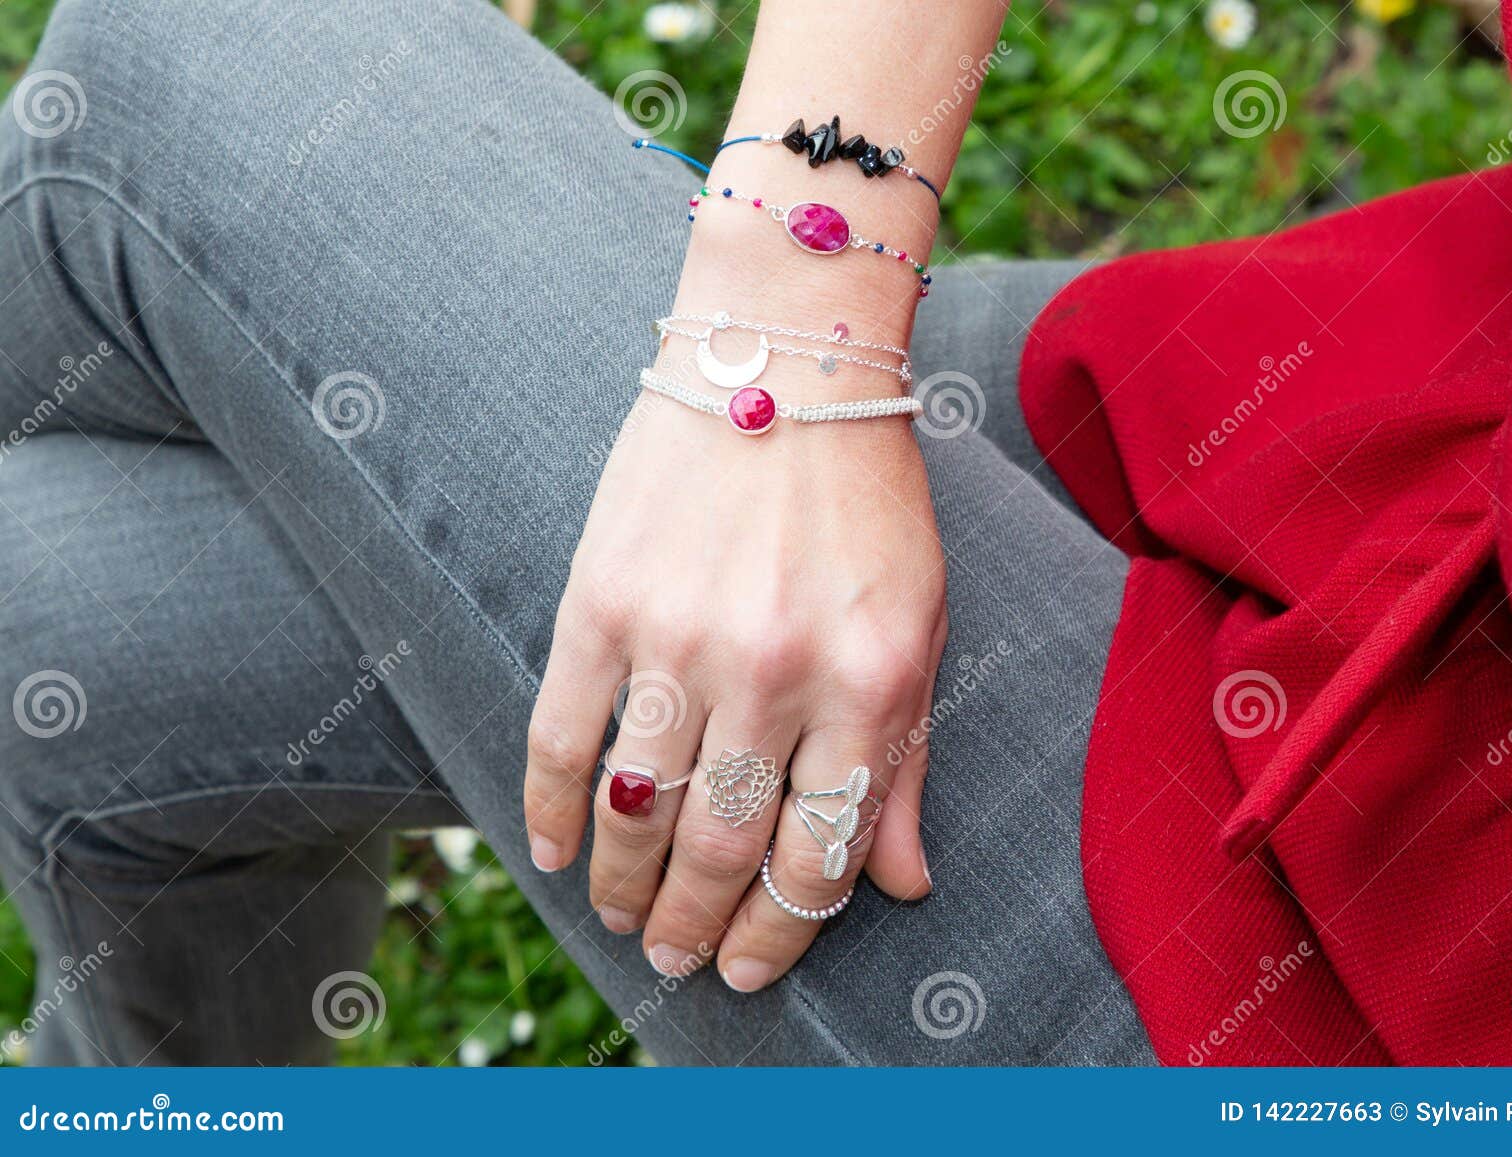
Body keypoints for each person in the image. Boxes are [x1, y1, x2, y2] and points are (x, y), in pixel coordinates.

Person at [0, 0, 1153, 1064]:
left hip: (1256, 969)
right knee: (47, 625)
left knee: (188, 37)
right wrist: (804, 324)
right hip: (1285, 436)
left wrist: (795, 328)